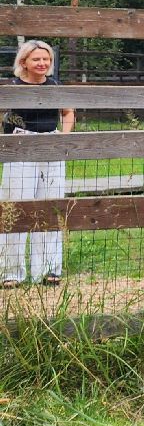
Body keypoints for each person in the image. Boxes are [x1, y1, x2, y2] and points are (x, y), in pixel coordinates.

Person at [0, 39, 75, 287]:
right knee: (16, 208)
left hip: (51, 146)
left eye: (46, 59)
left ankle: (49, 270)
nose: (42, 63)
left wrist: (63, 139)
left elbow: (67, 112)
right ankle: (11, 272)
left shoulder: (55, 86)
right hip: (20, 146)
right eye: (37, 59)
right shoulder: (12, 87)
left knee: (51, 207)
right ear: (24, 62)